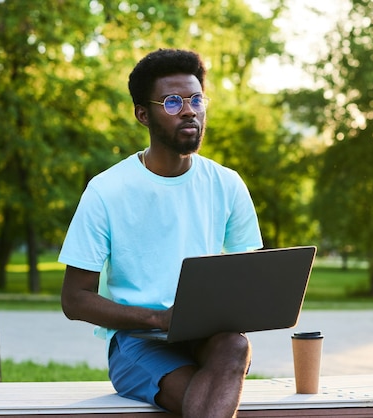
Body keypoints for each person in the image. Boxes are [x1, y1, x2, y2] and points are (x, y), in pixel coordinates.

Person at [59, 48, 263, 418]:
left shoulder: (227, 184)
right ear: (143, 113)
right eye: (172, 102)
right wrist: (156, 319)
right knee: (204, 400)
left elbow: (247, 272)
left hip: (208, 338)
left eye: (196, 99)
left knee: (234, 347)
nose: (189, 110)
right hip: (136, 343)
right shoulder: (107, 190)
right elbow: (74, 299)